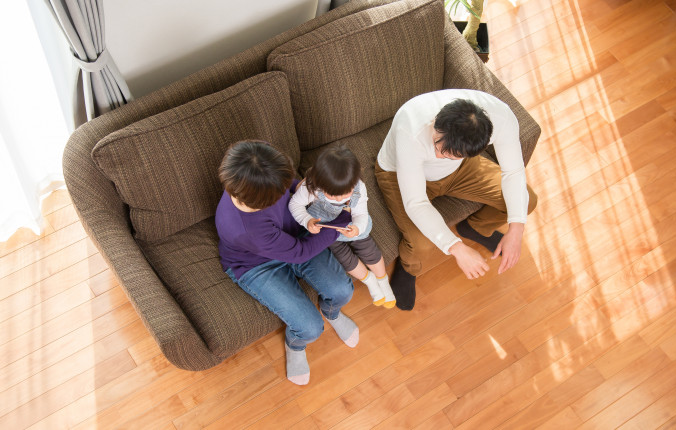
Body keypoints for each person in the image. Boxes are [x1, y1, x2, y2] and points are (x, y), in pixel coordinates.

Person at [375, 89, 538, 310]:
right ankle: (409, 267)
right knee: (421, 244)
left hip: (459, 171)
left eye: (449, 154)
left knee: (526, 202)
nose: (439, 156)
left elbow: (514, 173)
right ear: (436, 123)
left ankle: (475, 227)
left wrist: (517, 229)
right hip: (402, 173)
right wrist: (457, 248)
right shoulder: (411, 126)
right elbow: (416, 202)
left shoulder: (502, 117)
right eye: (437, 146)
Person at [215, 140, 359, 386]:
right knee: (310, 329)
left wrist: (305, 189)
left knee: (342, 291)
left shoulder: (253, 176)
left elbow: (289, 187)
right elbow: (300, 252)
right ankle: (295, 344)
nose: (285, 191)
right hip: (256, 265)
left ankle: (331, 312)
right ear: (263, 200)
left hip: (293, 235)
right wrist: (341, 222)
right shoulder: (245, 229)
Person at [289, 146, 396, 308]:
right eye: (333, 195)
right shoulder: (312, 187)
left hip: (351, 223)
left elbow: (360, 213)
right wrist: (307, 220)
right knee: (343, 257)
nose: (340, 198)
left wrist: (357, 228)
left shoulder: (358, 187)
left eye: (345, 193)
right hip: (327, 227)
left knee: (368, 248)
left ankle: (383, 280)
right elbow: (295, 204)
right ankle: (370, 281)